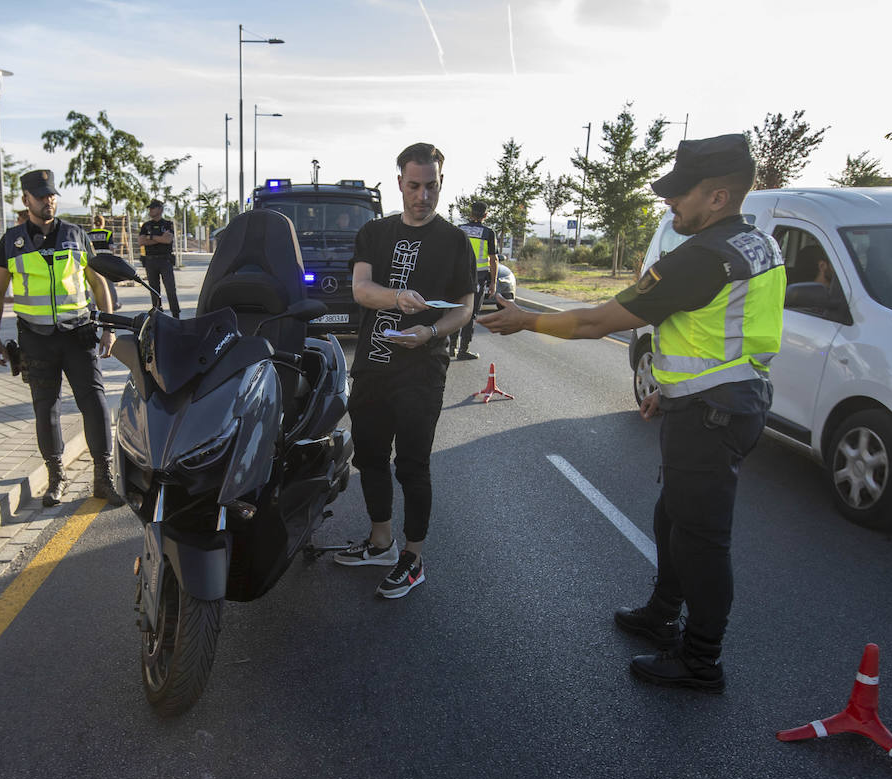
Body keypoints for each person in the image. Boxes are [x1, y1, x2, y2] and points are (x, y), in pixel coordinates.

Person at [480, 134, 784, 692]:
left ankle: (700, 659)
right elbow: (721, 334)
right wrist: (668, 390)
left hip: (713, 413)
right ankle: (662, 612)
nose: (670, 204)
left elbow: (600, 321)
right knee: (673, 517)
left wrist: (527, 320)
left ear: (718, 196)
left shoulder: (701, 258)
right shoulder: (756, 244)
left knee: (701, 538)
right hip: (718, 399)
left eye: (679, 194)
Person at [336, 142, 476, 599]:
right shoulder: (374, 233)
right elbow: (360, 289)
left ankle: (413, 557)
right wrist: (398, 299)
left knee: (412, 465)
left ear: (441, 183)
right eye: (414, 186)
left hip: (423, 369)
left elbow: (466, 308)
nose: (423, 195)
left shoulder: (455, 241)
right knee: (371, 457)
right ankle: (381, 542)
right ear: (399, 182)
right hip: (373, 366)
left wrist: (431, 333)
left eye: (431, 186)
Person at [0, 169, 124, 508]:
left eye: (52, 194)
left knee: (94, 403)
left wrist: (108, 328)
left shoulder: (76, 234)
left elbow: (98, 282)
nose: (49, 200)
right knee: (45, 410)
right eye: (41, 195)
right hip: (35, 339)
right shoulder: (11, 241)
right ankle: (56, 477)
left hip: (78, 334)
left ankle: (102, 478)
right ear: (25, 200)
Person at [452, 201, 498, 360]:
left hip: (458, 276)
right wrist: (493, 282)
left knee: (456, 309)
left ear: (470, 214)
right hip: (477, 278)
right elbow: (493, 259)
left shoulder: (460, 229)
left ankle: (452, 347)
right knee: (470, 313)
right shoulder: (488, 233)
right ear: (485, 215)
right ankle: (463, 350)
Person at [138, 199, 181, 317]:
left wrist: (150, 237)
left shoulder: (167, 224)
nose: (150, 210)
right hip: (151, 260)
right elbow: (141, 241)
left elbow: (167, 240)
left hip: (165, 260)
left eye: (153, 208)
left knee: (170, 289)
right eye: (150, 208)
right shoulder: (146, 225)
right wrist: (159, 238)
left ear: (160, 209)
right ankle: (158, 315)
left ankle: (175, 314)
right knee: (154, 291)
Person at [87, 214, 119, 307]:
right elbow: (111, 247)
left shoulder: (89, 234)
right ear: (103, 222)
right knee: (109, 283)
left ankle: (93, 304)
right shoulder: (107, 233)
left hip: (94, 261)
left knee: (94, 283)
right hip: (106, 260)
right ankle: (114, 303)